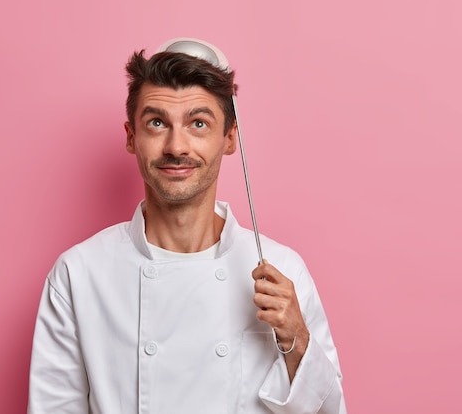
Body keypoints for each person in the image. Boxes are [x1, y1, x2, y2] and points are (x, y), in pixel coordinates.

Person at [27, 38, 346, 414]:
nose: (176, 146)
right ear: (132, 137)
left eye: (198, 123)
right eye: (157, 122)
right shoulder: (78, 276)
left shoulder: (283, 270)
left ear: (229, 138)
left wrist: (298, 340)